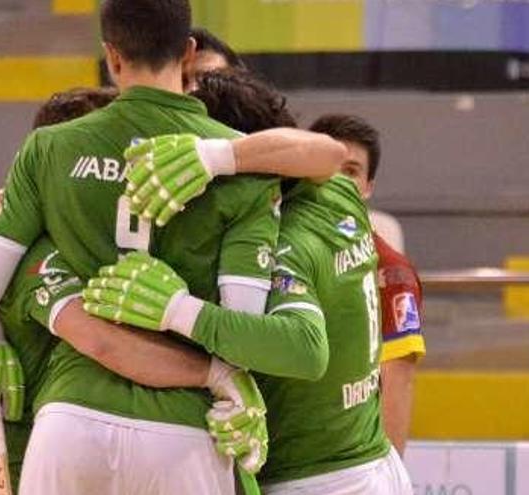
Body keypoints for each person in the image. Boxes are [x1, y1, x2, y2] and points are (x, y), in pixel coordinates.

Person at [0, 0, 345, 493]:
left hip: (70, 416)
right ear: (188, 53)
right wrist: (219, 367)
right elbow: (242, 322)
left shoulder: (50, 149)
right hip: (185, 430)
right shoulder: (245, 166)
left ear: (111, 56)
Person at [87, 130, 413, 494]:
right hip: (374, 463)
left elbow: (305, 348)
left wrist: (179, 311)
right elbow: (327, 154)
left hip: (317, 478)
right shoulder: (344, 195)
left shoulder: (286, 241)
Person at [309, 114, 426, 457]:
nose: (338, 181)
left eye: (351, 171)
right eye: (328, 165)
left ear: (368, 186)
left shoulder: (391, 271)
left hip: (347, 465)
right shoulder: (271, 246)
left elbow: (396, 381)